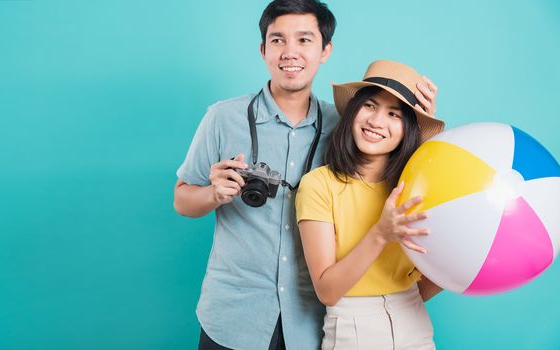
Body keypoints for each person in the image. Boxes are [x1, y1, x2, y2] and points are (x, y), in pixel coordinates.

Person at [174, 0, 439, 348]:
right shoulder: (223, 118)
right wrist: (213, 194)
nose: (290, 52)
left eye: (304, 40)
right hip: (234, 314)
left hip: (312, 321)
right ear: (263, 49)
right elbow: (181, 199)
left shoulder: (347, 127)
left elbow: (397, 165)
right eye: (278, 40)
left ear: (325, 50)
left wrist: (418, 123)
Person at [295, 60, 445, 350]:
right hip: (352, 329)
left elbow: (424, 285)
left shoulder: (415, 188)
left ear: (408, 127)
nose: (377, 122)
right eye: (370, 106)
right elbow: (327, 291)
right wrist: (380, 233)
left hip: (415, 323)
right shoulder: (319, 185)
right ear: (353, 111)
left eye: (394, 114)